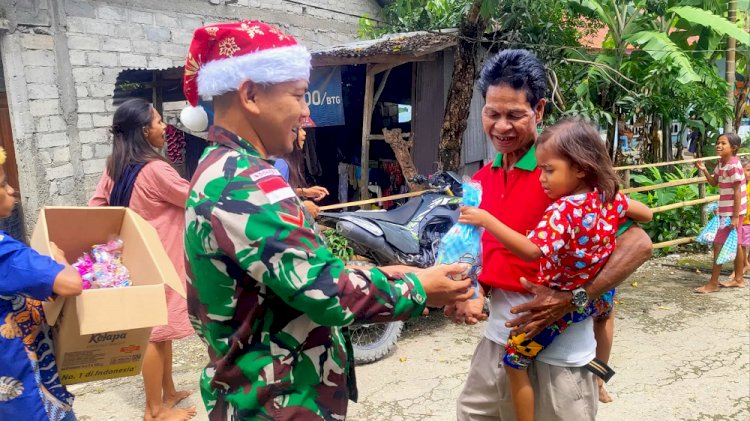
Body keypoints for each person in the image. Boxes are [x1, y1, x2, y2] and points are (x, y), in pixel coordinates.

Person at [179, 21, 474, 419]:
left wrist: (382, 272)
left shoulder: (223, 168)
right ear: (250, 95)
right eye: (299, 95)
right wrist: (422, 287)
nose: (306, 112)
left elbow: (288, 276)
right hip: (278, 403)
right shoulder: (244, 184)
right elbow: (328, 293)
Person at [445, 49, 653, 421]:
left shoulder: (564, 179)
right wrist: (471, 291)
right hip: (498, 344)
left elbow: (639, 242)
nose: (501, 127)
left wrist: (575, 297)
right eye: (492, 113)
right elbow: (486, 253)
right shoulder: (481, 180)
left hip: (561, 358)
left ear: (539, 110)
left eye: (514, 115)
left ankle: (600, 377)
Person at [89, 98, 196, 421]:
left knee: (160, 331)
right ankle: (154, 410)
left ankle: (169, 391)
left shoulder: (115, 166)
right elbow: (194, 198)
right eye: (159, 121)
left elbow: (96, 207)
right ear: (144, 130)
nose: (164, 127)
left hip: (134, 262)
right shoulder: (156, 170)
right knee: (153, 334)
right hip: (161, 262)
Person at [0, 146, 83, 421]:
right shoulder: (5, 253)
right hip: (25, 387)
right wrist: (60, 260)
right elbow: (70, 283)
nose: (11, 190)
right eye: (3, 184)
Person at [695, 133, 747, 293]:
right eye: (718, 142)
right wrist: (704, 170)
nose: (718, 145)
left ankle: (713, 283)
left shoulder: (733, 165)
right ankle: (739, 279)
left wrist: (735, 217)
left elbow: (737, 191)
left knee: (718, 244)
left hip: (732, 211)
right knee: (736, 243)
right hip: (730, 210)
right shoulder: (721, 163)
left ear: (734, 148)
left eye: (723, 143)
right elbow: (714, 183)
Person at [274, 126, 329, 217]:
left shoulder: (283, 160)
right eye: (299, 129)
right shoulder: (281, 163)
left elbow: (281, 190)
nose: (304, 133)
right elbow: (275, 197)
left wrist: (305, 192)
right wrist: (301, 206)